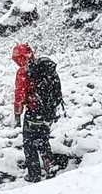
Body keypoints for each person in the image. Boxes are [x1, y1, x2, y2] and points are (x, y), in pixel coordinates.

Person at [13, 43, 65, 182]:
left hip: (33, 111)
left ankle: (34, 174)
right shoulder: (42, 67)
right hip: (47, 111)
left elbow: (20, 95)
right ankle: (50, 166)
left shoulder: (24, 72)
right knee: (43, 139)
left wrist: (17, 114)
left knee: (29, 143)